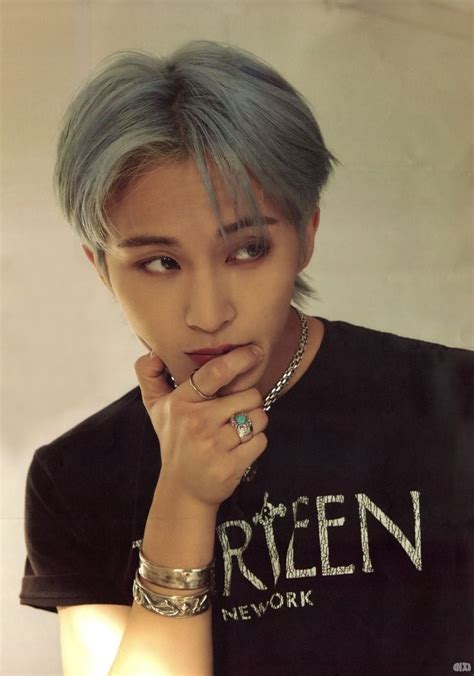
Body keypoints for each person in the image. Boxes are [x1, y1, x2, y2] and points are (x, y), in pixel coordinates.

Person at [19, 39, 472, 675]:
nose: (208, 313)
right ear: (101, 269)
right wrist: (183, 498)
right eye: (160, 262)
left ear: (306, 236)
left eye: (247, 250)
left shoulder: (455, 405)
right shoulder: (77, 477)